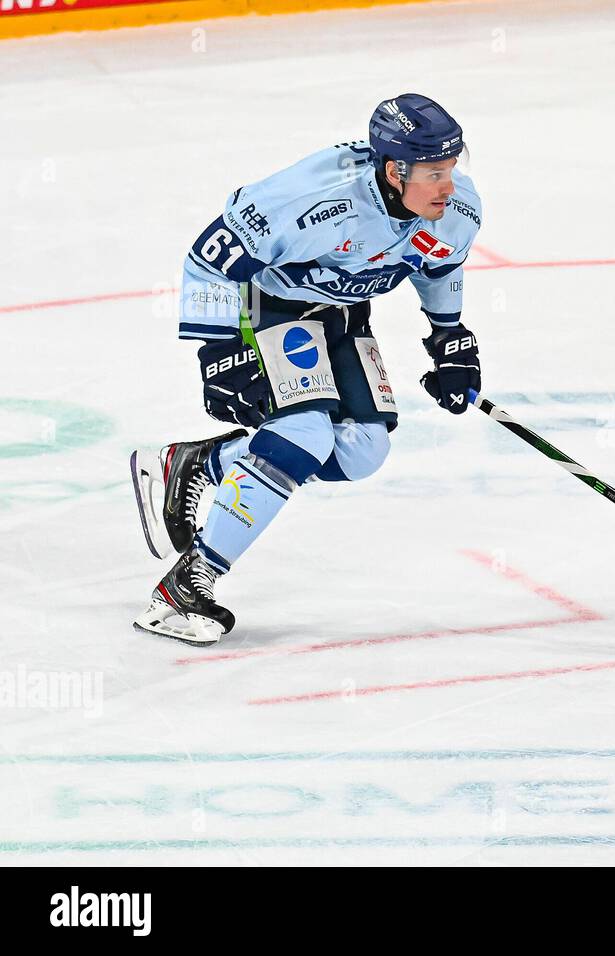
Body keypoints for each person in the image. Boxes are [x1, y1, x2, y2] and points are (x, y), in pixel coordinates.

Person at [129, 94, 483, 645]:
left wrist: (450, 337)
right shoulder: (311, 198)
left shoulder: (456, 208)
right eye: (435, 173)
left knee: (362, 450)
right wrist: (219, 350)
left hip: (338, 311)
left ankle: (200, 463)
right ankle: (186, 587)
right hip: (262, 302)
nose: (449, 185)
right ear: (395, 169)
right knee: (304, 432)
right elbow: (208, 260)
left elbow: (438, 265)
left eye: (451, 168)